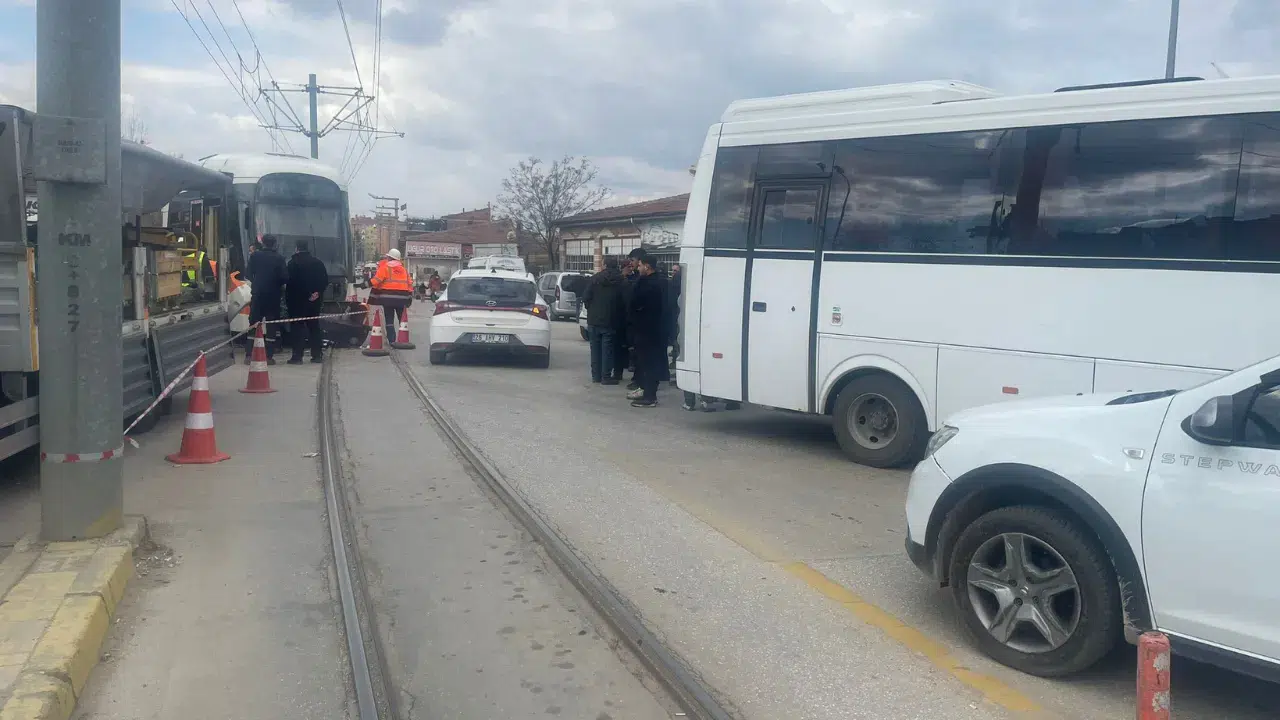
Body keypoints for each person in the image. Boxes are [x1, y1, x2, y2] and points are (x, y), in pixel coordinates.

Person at [626, 251, 667, 408]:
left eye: (641, 265)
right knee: (646, 363)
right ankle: (647, 392)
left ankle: (650, 396)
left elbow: (637, 304)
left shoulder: (649, 284)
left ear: (647, 266)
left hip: (647, 330)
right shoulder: (659, 282)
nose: (639, 267)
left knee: (649, 363)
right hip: (652, 330)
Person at [581, 257, 627, 385]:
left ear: (605, 265)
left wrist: (591, 309)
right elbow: (625, 301)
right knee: (608, 349)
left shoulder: (595, 279)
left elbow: (586, 297)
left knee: (595, 349)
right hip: (611, 320)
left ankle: (596, 376)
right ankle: (606, 376)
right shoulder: (621, 280)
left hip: (594, 319)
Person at [285, 239, 329, 364]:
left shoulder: (292, 263)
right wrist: (317, 292)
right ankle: (317, 355)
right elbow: (324, 280)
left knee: (297, 327)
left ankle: (297, 356)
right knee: (314, 327)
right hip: (314, 301)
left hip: (296, 301)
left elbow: (291, 282)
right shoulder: (318, 263)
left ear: (297, 248)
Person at [245, 234, 287, 364]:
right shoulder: (279, 258)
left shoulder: (255, 256)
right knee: (271, 327)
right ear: (274, 244)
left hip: (258, 295)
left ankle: (249, 355)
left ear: (262, 243)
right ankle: (268, 356)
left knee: (253, 324)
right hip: (273, 297)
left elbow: (248, 274)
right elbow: (285, 278)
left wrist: (258, 283)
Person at [369, 247, 413, 335]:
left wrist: (364, 285)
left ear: (389, 258)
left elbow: (376, 281)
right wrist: (409, 298)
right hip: (402, 299)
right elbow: (410, 284)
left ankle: (392, 340)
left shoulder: (385, 268)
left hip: (388, 299)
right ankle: (403, 339)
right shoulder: (404, 270)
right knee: (402, 319)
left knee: (389, 320)